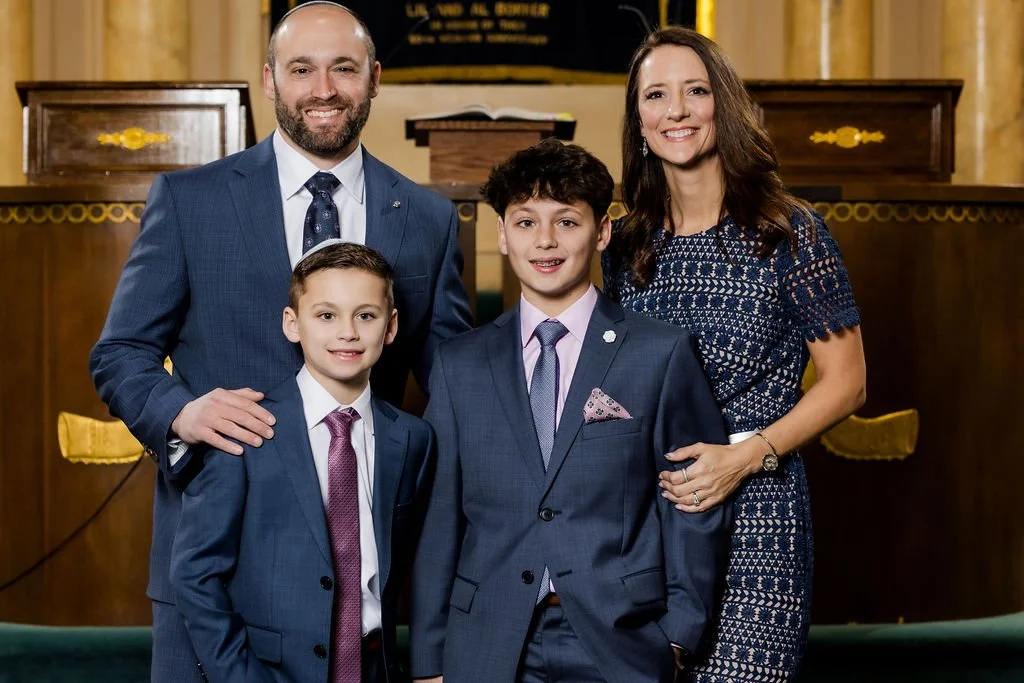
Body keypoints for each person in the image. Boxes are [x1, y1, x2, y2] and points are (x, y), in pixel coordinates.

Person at [89, 3, 471, 680]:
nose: (323, 88)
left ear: (374, 77)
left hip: (361, 579)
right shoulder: (189, 202)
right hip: (214, 574)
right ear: (270, 79)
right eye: (302, 68)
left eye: (343, 68)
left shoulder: (427, 218)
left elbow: (457, 386)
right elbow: (121, 354)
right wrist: (182, 411)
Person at [410, 138, 731, 683]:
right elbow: (438, 520)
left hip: (620, 638)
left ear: (602, 231)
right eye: (526, 222)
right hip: (484, 641)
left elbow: (693, 498)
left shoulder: (659, 352)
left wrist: (679, 631)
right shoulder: (459, 364)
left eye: (566, 221)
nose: (546, 241)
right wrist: (430, 658)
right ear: (502, 236)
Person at [603, 27, 867, 681]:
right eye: (657, 95)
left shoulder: (789, 229)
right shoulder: (623, 246)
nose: (678, 110)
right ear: (639, 120)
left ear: (723, 102)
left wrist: (747, 456)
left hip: (758, 516)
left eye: (696, 91)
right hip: (648, 521)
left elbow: (847, 381)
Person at [170, 241, 435, 683]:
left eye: (365, 315)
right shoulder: (249, 429)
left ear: (390, 328)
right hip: (270, 671)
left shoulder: (412, 438)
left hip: (375, 666)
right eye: (326, 315)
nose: (347, 332)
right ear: (292, 324)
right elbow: (195, 575)